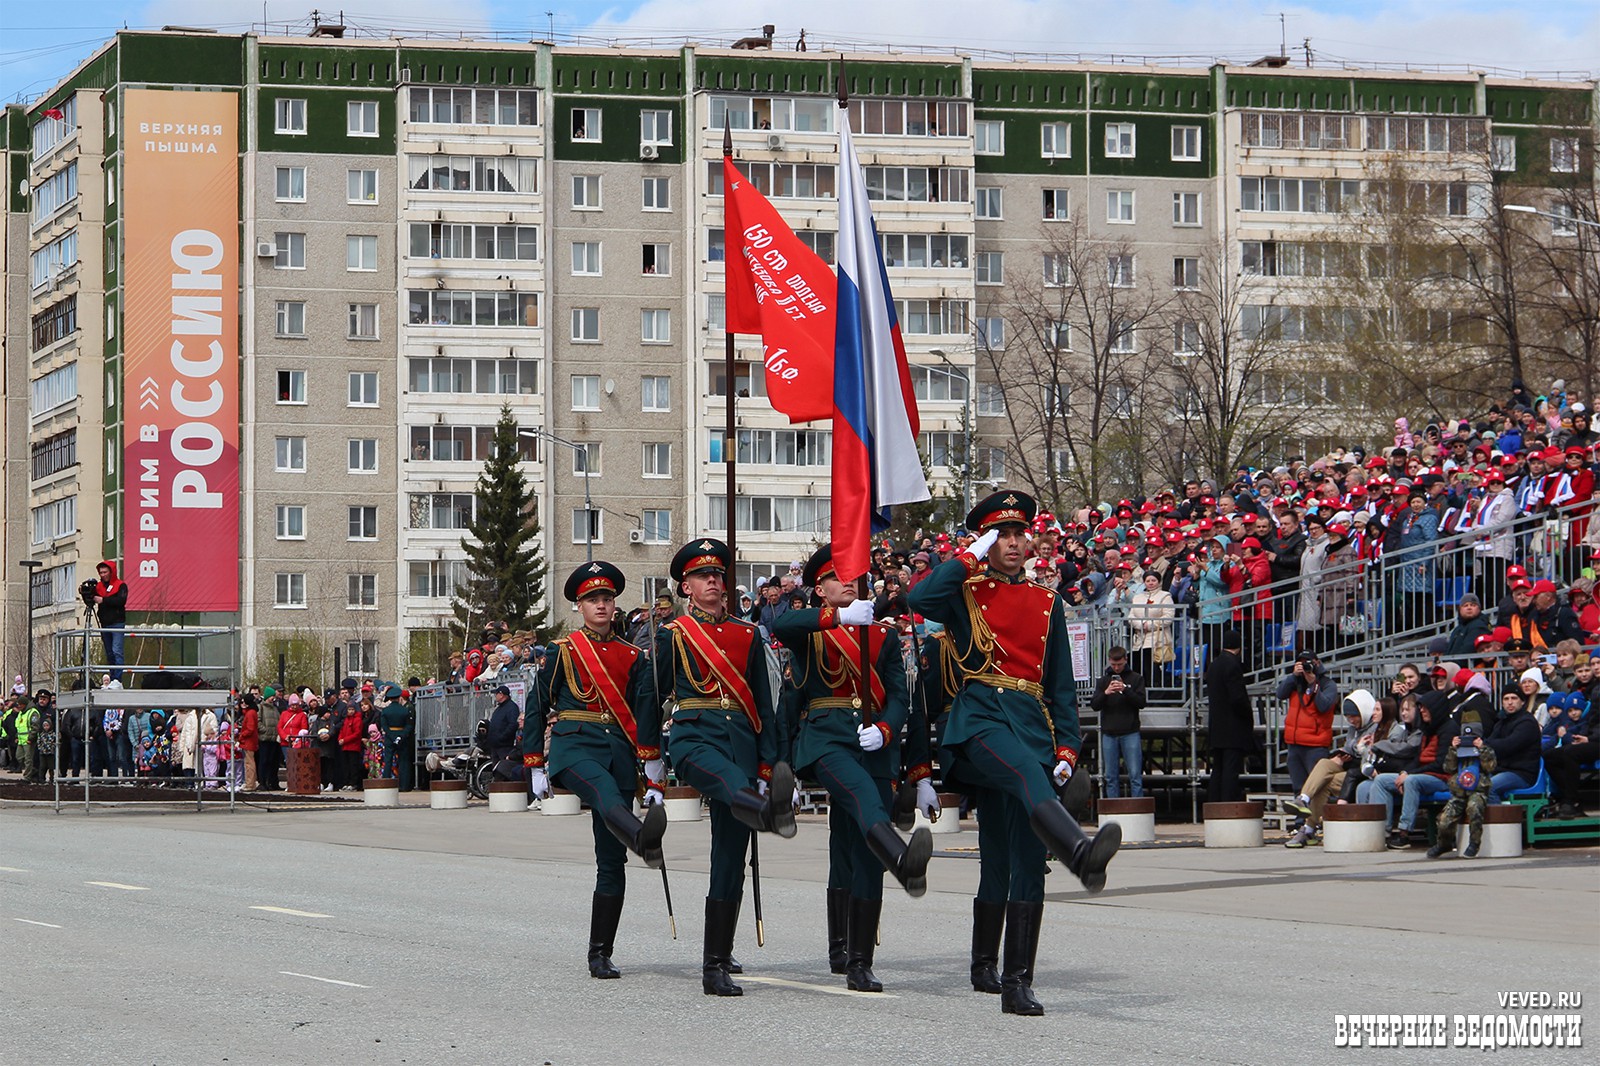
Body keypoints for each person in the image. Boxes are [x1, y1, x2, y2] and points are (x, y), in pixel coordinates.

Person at [907, 490, 1120, 1018]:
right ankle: (1077, 851)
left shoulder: (1048, 603)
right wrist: (968, 555)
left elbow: (1060, 687)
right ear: (985, 540)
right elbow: (919, 599)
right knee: (1028, 777)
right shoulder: (966, 589)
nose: (1013, 543)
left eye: (1020, 534)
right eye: (1001, 534)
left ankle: (1010, 977)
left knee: (1015, 856)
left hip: (1030, 725)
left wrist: (1068, 747)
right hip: (978, 719)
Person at [773, 545, 934, 993]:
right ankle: (901, 858)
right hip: (827, 738)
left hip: (873, 743)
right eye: (835, 578)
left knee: (855, 847)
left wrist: (886, 728)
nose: (846, 583)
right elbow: (779, 624)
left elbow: (901, 696)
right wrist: (838, 618)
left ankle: (854, 956)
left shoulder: (881, 635)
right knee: (865, 803)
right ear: (819, 588)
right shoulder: (814, 627)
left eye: (852, 577)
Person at [655, 537, 795, 998]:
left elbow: (764, 703)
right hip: (695, 739)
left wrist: (772, 764)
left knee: (730, 858)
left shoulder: (747, 633)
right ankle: (766, 810)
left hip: (740, 744)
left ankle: (716, 960)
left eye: (718, 574)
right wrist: (647, 756)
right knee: (731, 785)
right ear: (686, 587)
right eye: (703, 576)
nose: (714, 581)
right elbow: (648, 696)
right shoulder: (672, 634)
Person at [525, 561, 666, 980]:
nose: (601, 606)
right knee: (603, 793)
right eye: (592, 600)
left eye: (606, 599)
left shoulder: (632, 655)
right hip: (575, 746)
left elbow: (644, 712)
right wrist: (534, 764)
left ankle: (600, 953)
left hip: (619, 753)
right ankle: (642, 836)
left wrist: (653, 768)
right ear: (579, 607)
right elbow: (537, 706)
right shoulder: (563, 651)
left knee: (611, 860)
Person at [1426, 723, 1497, 859]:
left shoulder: (1486, 750)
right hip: (1459, 793)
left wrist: (1481, 749)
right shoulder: (1457, 751)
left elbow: (1490, 767)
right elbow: (1448, 768)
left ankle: (1474, 843)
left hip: (1477, 791)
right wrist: (1453, 749)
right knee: (1444, 819)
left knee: (1474, 808)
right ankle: (1444, 844)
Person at [1275, 651, 1339, 800]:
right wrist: (1293, 676)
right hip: (1294, 743)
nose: (1305, 666)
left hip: (1315, 745)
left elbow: (1324, 706)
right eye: (1301, 663)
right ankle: (1300, 820)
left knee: (1316, 786)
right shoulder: (1295, 682)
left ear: (1317, 662)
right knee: (1298, 786)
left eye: (1308, 663)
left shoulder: (1327, 684)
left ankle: (1316, 819)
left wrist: (1313, 684)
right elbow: (1280, 693)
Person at [1090, 647, 1147, 799]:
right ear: (1109, 661)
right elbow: (1095, 705)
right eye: (1114, 665)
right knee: (1110, 777)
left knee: (1135, 775)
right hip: (1109, 733)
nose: (1116, 668)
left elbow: (1141, 702)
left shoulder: (1136, 678)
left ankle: (1138, 811)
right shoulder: (1103, 681)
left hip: (1130, 732)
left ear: (1125, 660)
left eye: (1120, 664)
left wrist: (1125, 690)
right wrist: (1106, 693)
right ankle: (1113, 810)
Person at [1205, 628, 1253, 803]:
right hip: (1232, 727)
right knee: (1231, 771)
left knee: (1218, 769)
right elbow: (1237, 697)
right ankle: (1227, 806)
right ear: (1238, 646)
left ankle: (1214, 804)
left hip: (1217, 726)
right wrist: (1248, 714)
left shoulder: (1214, 665)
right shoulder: (1233, 665)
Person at [1481, 683, 1541, 800]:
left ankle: (1498, 818)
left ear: (1522, 701)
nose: (1510, 702)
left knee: (1488, 787)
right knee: (1470, 783)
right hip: (1502, 770)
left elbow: (1509, 745)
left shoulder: (1527, 722)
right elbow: (1492, 743)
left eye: (1514, 698)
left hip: (1521, 774)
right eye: (1506, 699)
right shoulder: (1501, 722)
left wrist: (1484, 744)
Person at [91, 561, 129, 682]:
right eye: (101, 572)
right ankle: (113, 677)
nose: (103, 575)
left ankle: (117, 679)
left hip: (117, 622)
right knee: (109, 653)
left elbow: (120, 601)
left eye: (105, 572)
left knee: (116, 650)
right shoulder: (98, 587)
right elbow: (92, 600)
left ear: (111, 572)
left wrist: (103, 600)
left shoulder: (121, 585)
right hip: (105, 623)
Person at [380, 687, 417, 790]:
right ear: (399, 697)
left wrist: (392, 736)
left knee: (388, 760)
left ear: (390, 698)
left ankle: (386, 783)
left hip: (389, 737)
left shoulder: (385, 711)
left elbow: (384, 726)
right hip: (402, 737)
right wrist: (400, 736)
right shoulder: (405, 710)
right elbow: (409, 726)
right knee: (403, 761)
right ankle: (404, 785)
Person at [484, 684, 521, 764]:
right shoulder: (499, 708)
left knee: (504, 768)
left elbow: (513, 725)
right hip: (495, 746)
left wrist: (501, 737)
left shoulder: (512, 707)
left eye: (496, 694)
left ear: (501, 694)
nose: (495, 696)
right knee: (496, 769)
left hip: (504, 746)